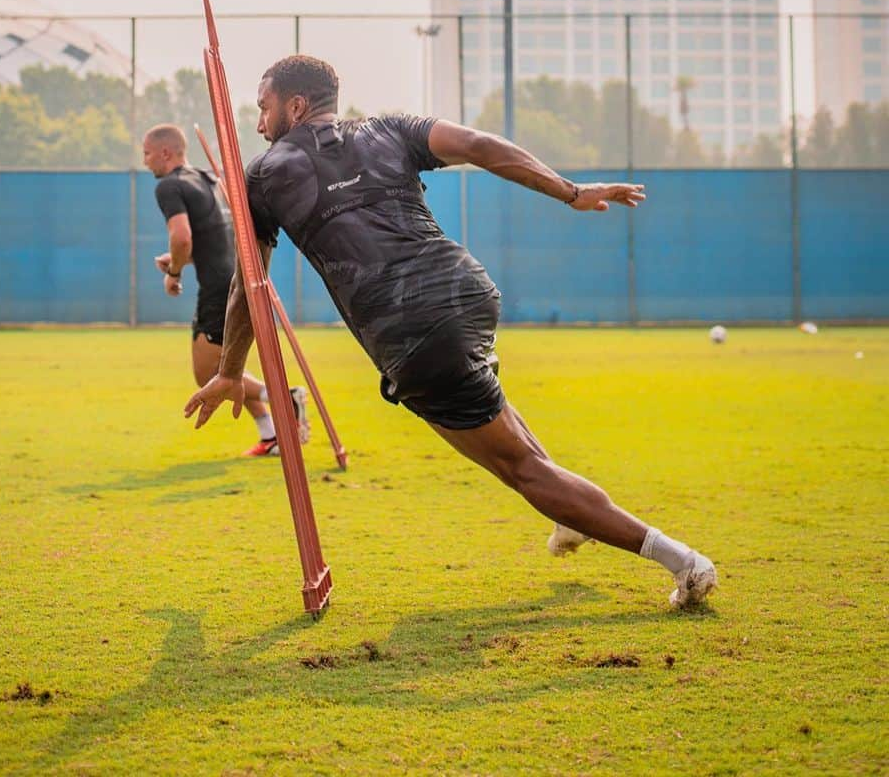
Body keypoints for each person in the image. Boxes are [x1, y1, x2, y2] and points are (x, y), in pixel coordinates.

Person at [184, 56, 717, 609]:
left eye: (264, 108)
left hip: (413, 333)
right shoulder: (388, 128)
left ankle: (682, 562)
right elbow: (481, 145)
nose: (259, 122)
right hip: (467, 291)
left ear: (295, 106)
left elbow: (249, 284)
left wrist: (228, 373)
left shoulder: (265, 174)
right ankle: (570, 518)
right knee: (494, 413)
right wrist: (570, 191)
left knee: (520, 469)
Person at [141, 122, 308, 456]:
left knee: (209, 372)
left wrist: (174, 271)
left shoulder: (169, 187)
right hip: (232, 275)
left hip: (218, 288)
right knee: (222, 368)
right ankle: (271, 435)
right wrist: (179, 260)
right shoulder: (204, 178)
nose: (145, 162)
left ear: (165, 152)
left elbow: (183, 237)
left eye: (146, 154)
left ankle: (282, 397)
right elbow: (210, 241)